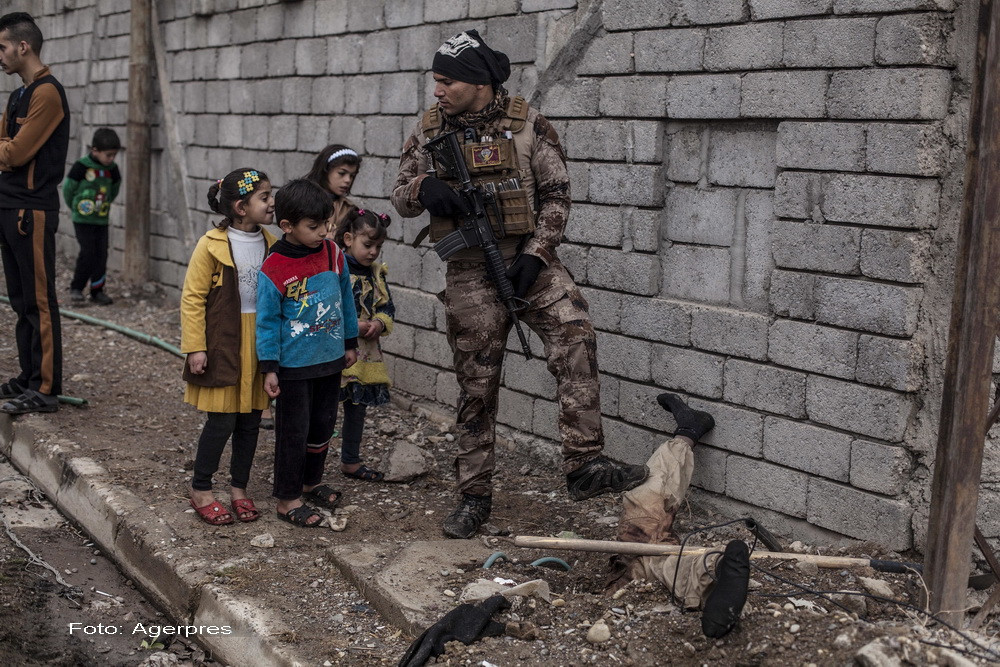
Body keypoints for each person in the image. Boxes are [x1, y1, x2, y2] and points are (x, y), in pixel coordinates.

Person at [391, 29, 648, 539]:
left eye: (446, 81)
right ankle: (473, 497)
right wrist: (426, 187)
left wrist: (535, 256)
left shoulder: (529, 125)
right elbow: (399, 197)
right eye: (435, 81)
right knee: (477, 387)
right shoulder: (427, 131)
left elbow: (557, 195)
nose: (437, 91)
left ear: (478, 81)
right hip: (468, 270)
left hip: (529, 263)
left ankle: (583, 464)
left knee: (576, 333)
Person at [256, 179, 359, 528]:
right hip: (293, 367)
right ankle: (287, 499)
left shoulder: (333, 255)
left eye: (326, 224)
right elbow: (267, 322)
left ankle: (311, 482)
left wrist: (349, 342)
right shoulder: (274, 267)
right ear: (287, 226)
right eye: (313, 227)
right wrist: (269, 368)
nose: (323, 232)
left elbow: (346, 300)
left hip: (329, 361)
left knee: (322, 427)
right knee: (293, 432)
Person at [180, 168, 276, 525]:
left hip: (259, 339)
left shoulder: (271, 243)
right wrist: (195, 347)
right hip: (223, 340)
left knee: (251, 420)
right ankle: (201, 487)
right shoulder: (211, 245)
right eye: (264, 197)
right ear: (240, 206)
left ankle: (239, 488)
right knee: (221, 420)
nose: (271, 203)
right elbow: (192, 298)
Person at [613, 393, 749, 639]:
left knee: (645, 513)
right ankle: (716, 572)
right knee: (660, 562)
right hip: (625, 576)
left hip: (635, 554)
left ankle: (718, 569)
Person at [0, 12, 69, 415]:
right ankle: (28, 378)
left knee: (40, 300)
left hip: (32, 210)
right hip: (9, 206)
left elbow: (16, 151)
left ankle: (45, 388)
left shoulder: (47, 92)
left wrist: (8, 150)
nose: (0, 56)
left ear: (23, 46)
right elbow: (6, 143)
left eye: (2, 47)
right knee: (20, 299)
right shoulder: (18, 94)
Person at [332, 208, 395, 482]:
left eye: (378, 247)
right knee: (323, 409)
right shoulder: (335, 270)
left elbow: (387, 307)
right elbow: (327, 306)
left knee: (357, 408)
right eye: (367, 245)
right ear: (348, 239)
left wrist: (379, 324)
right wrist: (352, 325)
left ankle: (350, 460)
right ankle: (310, 462)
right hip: (336, 349)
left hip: (366, 354)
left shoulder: (376, 275)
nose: (372, 252)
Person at [63, 127, 121, 305]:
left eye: (114, 155)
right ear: (95, 150)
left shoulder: (112, 169)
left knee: (101, 254)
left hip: (101, 220)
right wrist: (75, 208)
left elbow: (114, 188)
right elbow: (68, 189)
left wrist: (104, 204)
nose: (111, 159)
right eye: (108, 155)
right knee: (88, 253)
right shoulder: (81, 167)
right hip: (82, 220)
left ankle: (97, 290)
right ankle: (76, 288)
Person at [303, 143, 361, 238]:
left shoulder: (349, 209)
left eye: (352, 176)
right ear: (325, 170)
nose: (348, 180)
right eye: (342, 173)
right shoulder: (303, 201)